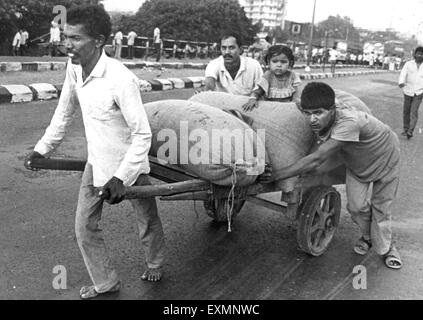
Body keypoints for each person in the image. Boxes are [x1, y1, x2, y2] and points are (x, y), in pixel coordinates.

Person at [24, 4, 166, 299]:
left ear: (99, 40)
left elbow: (142, 134)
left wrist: (121, 178)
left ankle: (155, 262)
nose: (67, 45)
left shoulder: (121, 79)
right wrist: (41, 149)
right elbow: (64, 113)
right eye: (66, 37)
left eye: (75, 39)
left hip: (129, 165)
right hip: (95, 162)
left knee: (146, 219)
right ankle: (106, 282)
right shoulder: (73, 69)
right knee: (83, 226)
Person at [260, 82, 403, 270]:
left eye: (318, 113)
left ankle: (388, 248)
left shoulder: (349, 122)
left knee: (381, 207)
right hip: (356, 163)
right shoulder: (316, 112)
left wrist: (277, 175)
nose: (312, 119)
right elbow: (295, 102)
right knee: (356, 207)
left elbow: (317, 159)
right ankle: (369, 237)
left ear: (332, 109)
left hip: (386, 157)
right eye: (307, 113)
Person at [242, 45, 301, 111]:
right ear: (269, 62)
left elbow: (295, 94)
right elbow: (258, 91)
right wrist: (252, 99)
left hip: (286, 109)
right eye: (274, 61)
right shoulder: (268, 76)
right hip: (270, 109)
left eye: (283, 62)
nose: (279, 65)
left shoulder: (292, 76)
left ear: (290, 63)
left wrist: (295, 103)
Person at [398, 46, 423, 139]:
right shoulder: (408, 64)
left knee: (414, 112)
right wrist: (401, 82)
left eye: (421, 54)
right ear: (415, 54)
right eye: (418, 53)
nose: (419, 55)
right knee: (406, 111)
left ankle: (410, 131)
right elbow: (403, 73)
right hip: (408, 91)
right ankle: (405, 129)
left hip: (419, 92)